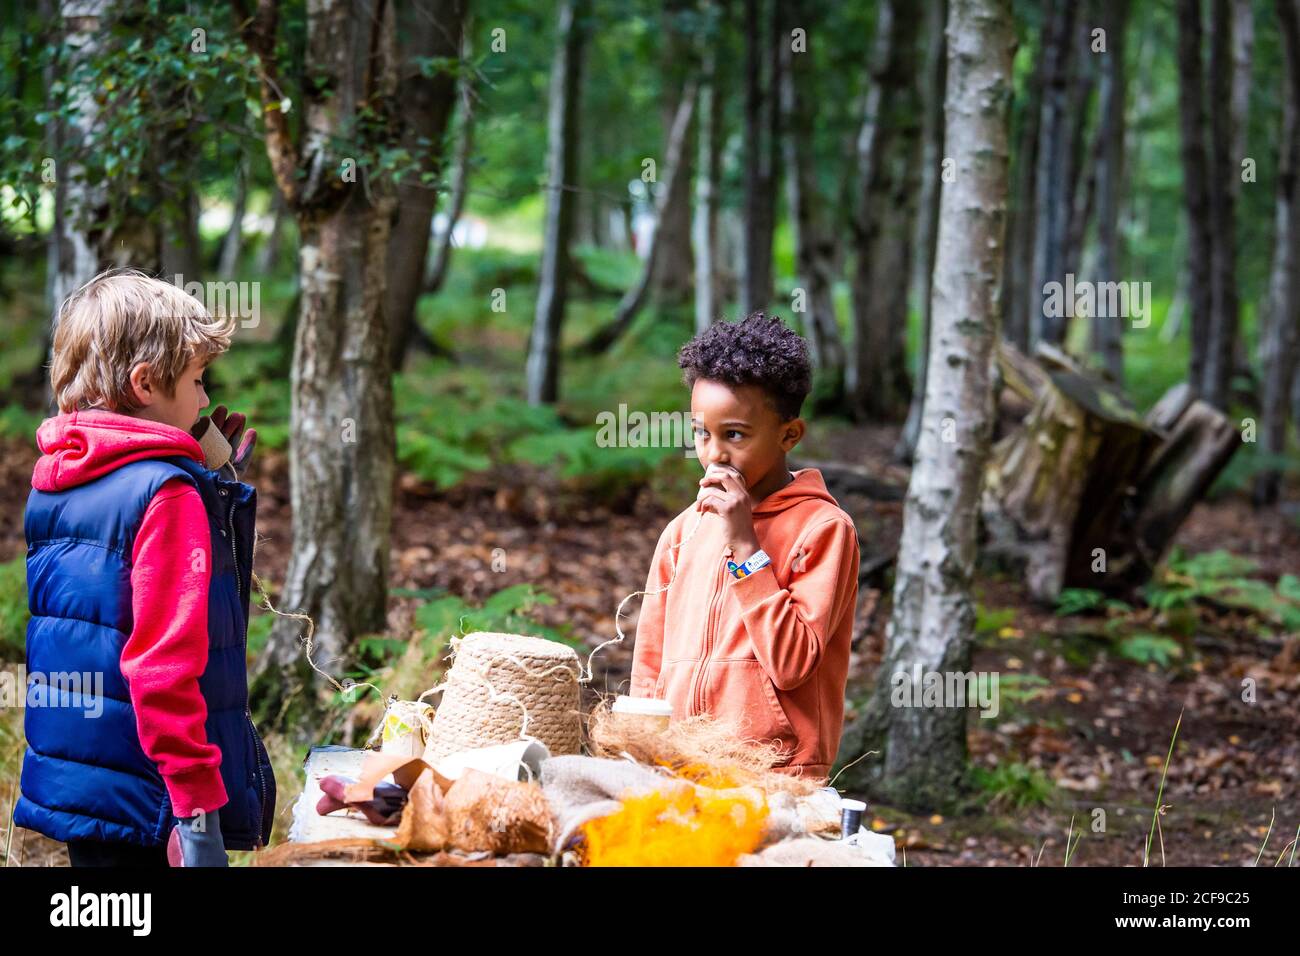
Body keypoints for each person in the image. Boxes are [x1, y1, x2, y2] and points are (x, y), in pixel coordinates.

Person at [13, 269, 276, 867]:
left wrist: (213, 481)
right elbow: (162, 664)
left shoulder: (59, 482)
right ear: (145, 383)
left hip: (91, 786)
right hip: (160, 801)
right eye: (197, 380)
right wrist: (197, 810)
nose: (206, 401)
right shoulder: (168, 496)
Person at [630, 311, 861, 782]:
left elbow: (793, 663)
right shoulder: (683, 532)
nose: (714, 453)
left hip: (775, 773)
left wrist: (744, 544)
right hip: (677, 763)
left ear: (789, 435)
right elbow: (649, 660)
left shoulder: (824, 530)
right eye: (701, 432)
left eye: (734, 434)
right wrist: (639, 744)